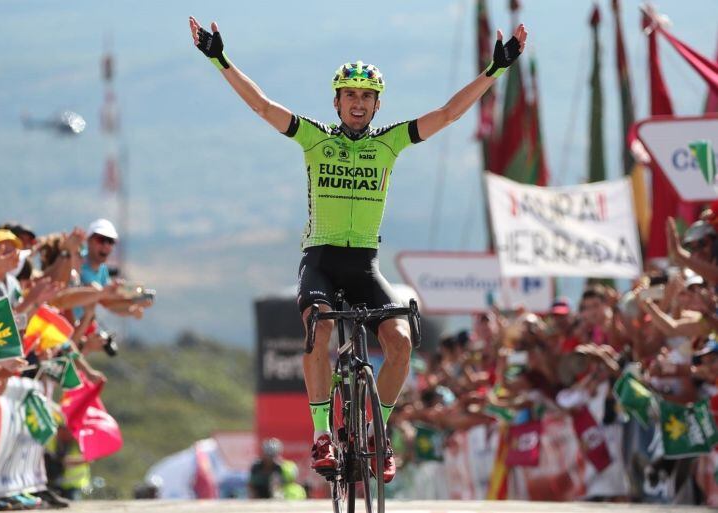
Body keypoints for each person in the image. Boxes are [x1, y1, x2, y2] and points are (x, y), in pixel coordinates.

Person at [188, 16, 527, 482]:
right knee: (319, 333)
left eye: (366, 96)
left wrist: (496, 70)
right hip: (321, 261)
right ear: (337, 100)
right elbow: (264, 107)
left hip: (365, 265)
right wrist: (219, 58)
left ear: (376, 104)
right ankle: (323, 434)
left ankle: (377, 435)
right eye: (350, 94)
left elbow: (448, 114)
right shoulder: (315, 139)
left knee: (401, 344)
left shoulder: (388, 144)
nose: (358, 103)